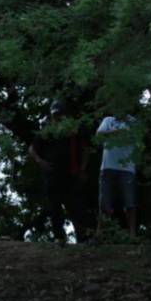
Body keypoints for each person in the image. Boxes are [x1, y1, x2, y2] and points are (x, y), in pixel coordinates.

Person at [29, 100, 89, 244]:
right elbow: (32, 149)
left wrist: (82, 169)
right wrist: (40, 162)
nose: (58, 117)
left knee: (75, 206)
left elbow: (85, 149)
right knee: (54, 206)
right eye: (56, 114)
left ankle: (83, 236)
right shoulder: (46, 129)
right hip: (52, 174)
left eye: (60, 114)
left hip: (71, 173)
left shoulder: (74, 129)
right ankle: (59, 237)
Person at [95, 113, 138, 241]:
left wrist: (110, 133)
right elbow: (99, 135)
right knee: (104, 204)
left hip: (127, 168)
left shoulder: (133, 121)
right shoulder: (107, 120)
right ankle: (99, 235)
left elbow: (133, 137)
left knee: (130, 204)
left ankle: (132, 236)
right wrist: (118, 132)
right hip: (107, 167)